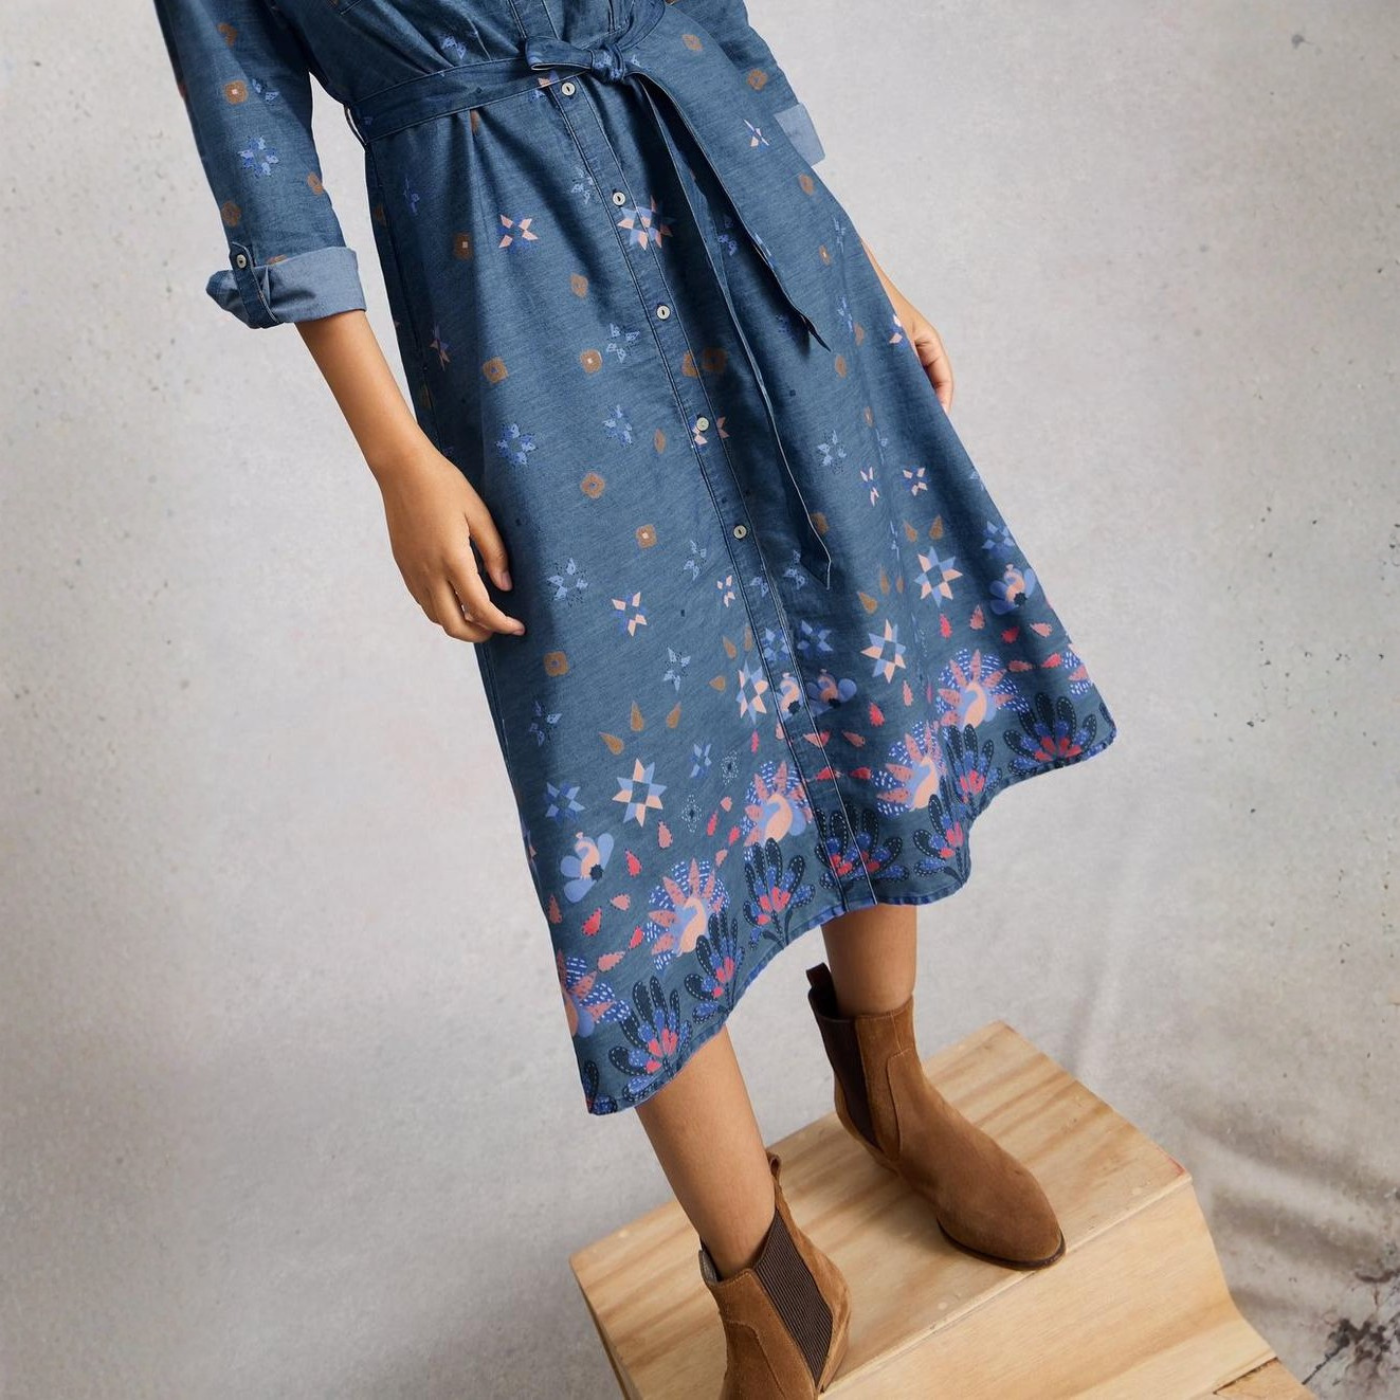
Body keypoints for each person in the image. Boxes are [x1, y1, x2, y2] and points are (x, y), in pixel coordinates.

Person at [151, 0, 1120, 1392]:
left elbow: (710, 20)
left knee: (852, 648)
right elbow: (259, 150)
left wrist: (863, 266)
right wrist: (396, 457)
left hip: (745, 220)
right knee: (624, 794)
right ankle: (760, 1272)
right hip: (510, 304)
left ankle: (893, 1092)